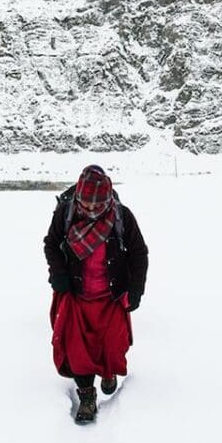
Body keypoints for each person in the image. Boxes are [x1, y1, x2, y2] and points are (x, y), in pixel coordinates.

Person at [43, 165, 149, 424]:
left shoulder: (122, 216)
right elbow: (51, 244)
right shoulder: (66, 213)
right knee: (77, 350)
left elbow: (138, 254)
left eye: (96, 207)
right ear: (78, 197)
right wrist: (59, 274)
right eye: (86, 206)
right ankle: (87, 396)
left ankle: (108, 370)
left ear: (107, 200)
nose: (90, 211)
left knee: (113, 346)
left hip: (111, 297)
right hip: (77, 296)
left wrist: (135, 290)